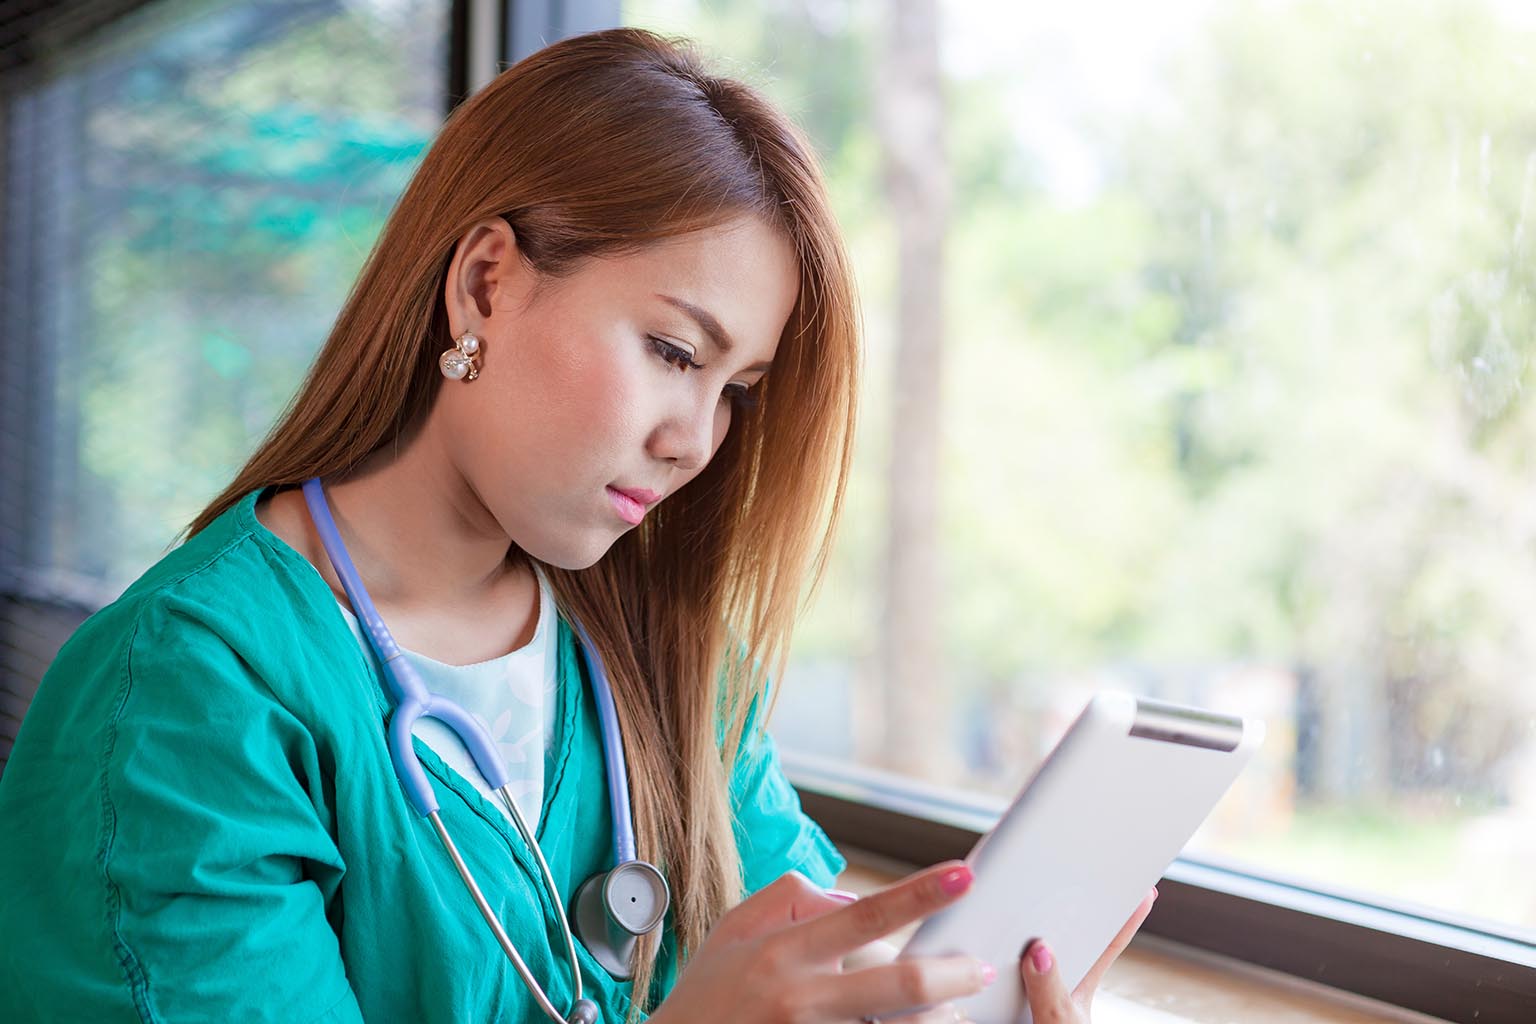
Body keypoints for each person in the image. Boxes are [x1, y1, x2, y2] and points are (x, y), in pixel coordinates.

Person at [0, 27, 1152, 1024]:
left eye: (735, 390)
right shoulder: (186, 697)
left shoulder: (672, 671)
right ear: (487, 283)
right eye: (671, 352)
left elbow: (815, 967)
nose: (696, 439)